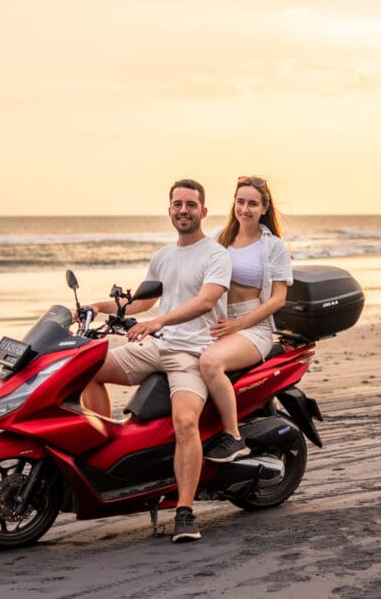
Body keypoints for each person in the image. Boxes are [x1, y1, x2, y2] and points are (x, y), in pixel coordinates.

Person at [80, 179, 231, 543]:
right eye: (177, 204)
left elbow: (206, 301)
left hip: (192, 353)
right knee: (86, 369)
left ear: (203, 211)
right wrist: (98, 307)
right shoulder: (163, 256)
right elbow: (144, 302)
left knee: (184, 421)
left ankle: (184, 511)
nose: (183, 210)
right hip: (157, 345)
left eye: (190, 205)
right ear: (169, 211)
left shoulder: (215, 255)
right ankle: (105, 452)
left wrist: (159, 321)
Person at [199, 175, 293, 463]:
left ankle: (233, 435)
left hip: (254, 326)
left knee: (210, 363)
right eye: (241, 202)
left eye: (253, 204)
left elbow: (278, 299)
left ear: (264, 208)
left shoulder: (273, 246)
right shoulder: (219, 237)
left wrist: (239, 325)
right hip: (218, 321)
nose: (245, 209)